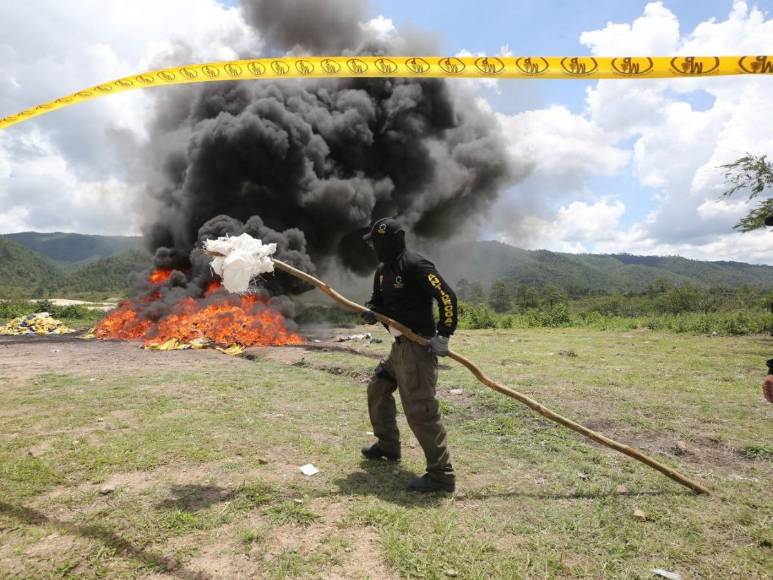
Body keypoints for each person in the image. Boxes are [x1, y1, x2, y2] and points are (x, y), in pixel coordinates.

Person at [359, 217, 458, 493]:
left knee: (420, 409)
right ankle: (388, 446)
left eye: (376, 243)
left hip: (417, 350)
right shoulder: (382, 271)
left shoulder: (415, 265)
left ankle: (441, 475)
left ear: (388, 242)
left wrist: (444, 334)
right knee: (378, 388)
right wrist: (371, 311)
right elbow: (377, 301)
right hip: (398, 348)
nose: (373, 248)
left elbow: (447, 297)